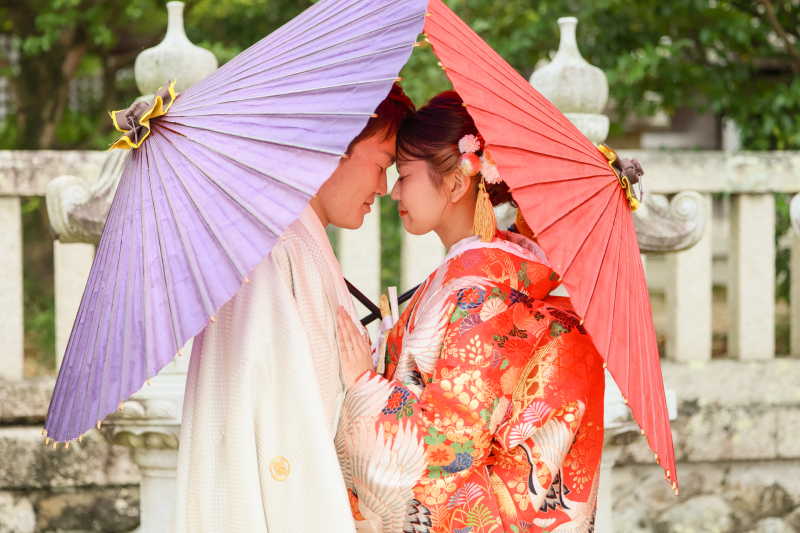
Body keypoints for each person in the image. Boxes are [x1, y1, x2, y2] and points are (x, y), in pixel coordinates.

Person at [335, 91, 605, 533]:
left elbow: (446, 451)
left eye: (404, 174)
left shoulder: (482, 296)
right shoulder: (482, 277)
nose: (393, 190)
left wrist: (365, 386)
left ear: (458, 183)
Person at [171, 83, 415, 533]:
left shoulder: (295, 241)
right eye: (382, 165)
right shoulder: (274, 250)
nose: (384, 187)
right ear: (337, 146)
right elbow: (283, 426)